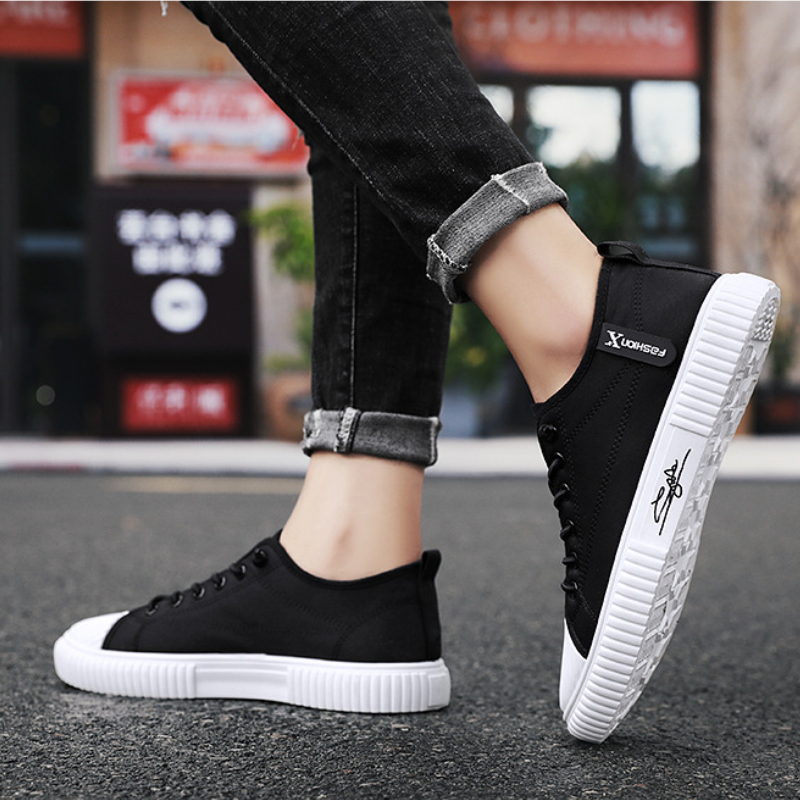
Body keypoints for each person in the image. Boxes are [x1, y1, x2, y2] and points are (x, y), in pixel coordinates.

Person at [53, 2, 780, 744]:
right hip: (358, 569)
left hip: (598, 324)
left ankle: (580, 319)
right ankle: (351, 555)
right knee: (360, 78)